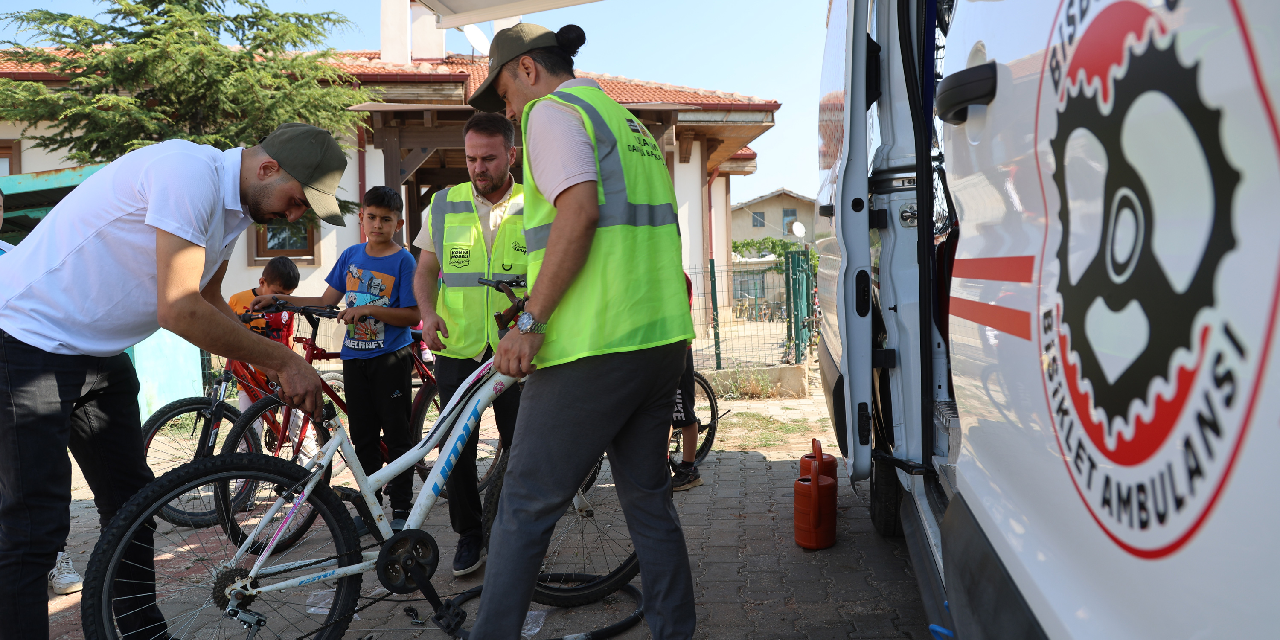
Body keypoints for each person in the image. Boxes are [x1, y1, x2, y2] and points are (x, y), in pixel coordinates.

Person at [0, 122, 339, 640]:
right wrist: (282, 360)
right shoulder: (188, 174)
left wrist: (264, 360)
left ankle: (140, 633)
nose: (295, 215)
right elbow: (178, 308)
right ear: (268, 167)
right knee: (31, 528)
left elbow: (208, 300)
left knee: (135, 507)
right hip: (26, 340)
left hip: (98, 353)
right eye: (297, 201)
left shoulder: (233, 209)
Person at [468, 23, 697, 639]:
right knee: (649, 503)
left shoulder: (550, 112)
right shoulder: (627, 124)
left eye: (504, 94)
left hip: (594, 345)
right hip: (660, 341)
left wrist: (530, 321)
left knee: (524, 509)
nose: (506, 110)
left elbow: (580, 210)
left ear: (526, 70)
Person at [254, 185, 420, 532]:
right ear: (361, 218)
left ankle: (403, 510)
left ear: (398, 223)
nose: (377, 224)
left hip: (391, 359)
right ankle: (372, 510)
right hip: (354, 361)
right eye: (371, 217)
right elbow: (327, 301)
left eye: (385, 219)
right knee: (362, 438)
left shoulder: (403, 260)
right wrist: (282, 300)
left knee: (398, 435)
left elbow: (411, 314)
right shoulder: (350, 256)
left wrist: (370, 309)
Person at [411, 112, 525, 577]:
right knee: (457, 448)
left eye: (489, 158)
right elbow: (424, 271)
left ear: (511, 155)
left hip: (519, 348)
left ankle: (515, 534)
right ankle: (468, 535)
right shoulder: (443, 204)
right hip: (459, 348)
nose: (478, 168)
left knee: (523, 448)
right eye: (471, 158)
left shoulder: (536, 203)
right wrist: (427, 312)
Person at [228, 256, 312, 453]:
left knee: (299, 430)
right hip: (249, 379)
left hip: (283, 377)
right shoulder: (237, 301)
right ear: (262, 282)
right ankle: (245, 483)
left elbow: (289, 338)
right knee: (249, 436)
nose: (280, 299)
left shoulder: (286, 305)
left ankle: (309, 478)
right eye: (277, 293)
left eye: (287, 295)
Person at [671, 274, 703, 491]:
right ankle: (662, 466)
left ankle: (689, 469)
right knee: (666, 415)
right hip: (662, 352)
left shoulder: (678, 278)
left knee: (683, 414)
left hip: (678, 351)